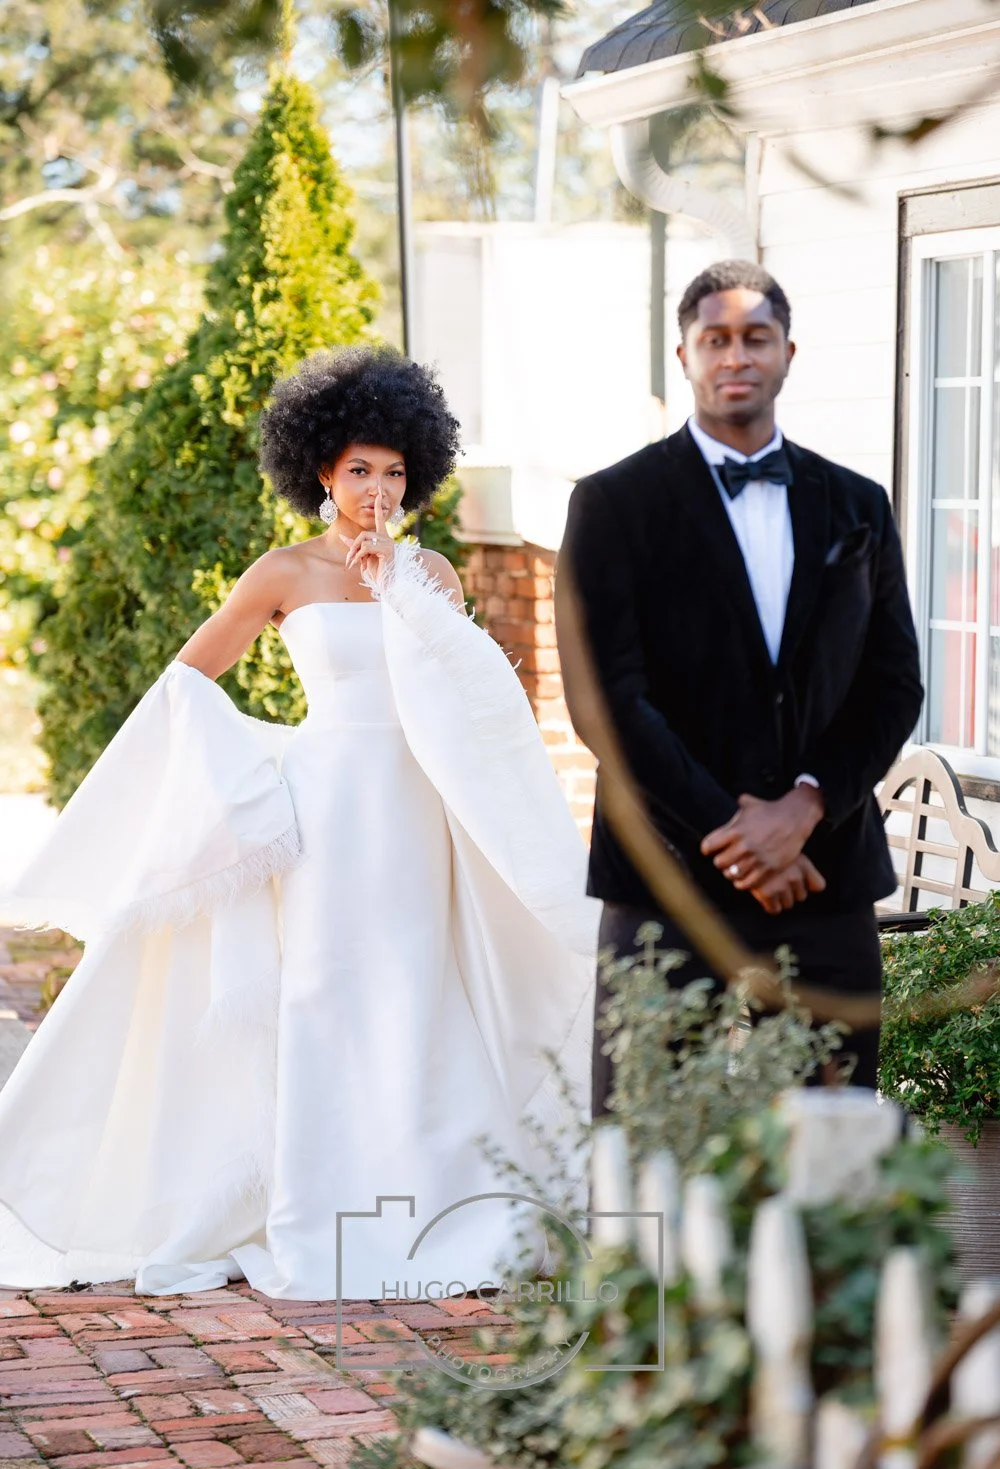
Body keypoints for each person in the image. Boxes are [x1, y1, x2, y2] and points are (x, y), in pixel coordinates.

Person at [0, 345, 598, 1300]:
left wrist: (397, 584)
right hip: (322, 809)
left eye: (395, 471)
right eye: (359, 468)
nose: (377, 488)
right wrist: (251, 767)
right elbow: (187, 683)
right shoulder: (281, 574)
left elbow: (473, 689)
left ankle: (434, 1203)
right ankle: (322, 1213)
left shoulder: (431, 569)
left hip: (416, 808)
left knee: (415, 985)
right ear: (321, 470)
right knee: (323, 989)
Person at [555, 259, 924, 1117]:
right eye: (714, 339)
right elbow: (604, 701)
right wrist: (735, 831)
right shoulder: (613, 504)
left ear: (788, 353)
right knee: (647, 1139)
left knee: (827, 1144)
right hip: (668, 881)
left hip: (821, 882)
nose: (735, 356)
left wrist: (803, 810)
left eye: (755, 338)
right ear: (682, 355)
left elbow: (893, 683)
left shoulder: (858, 505)